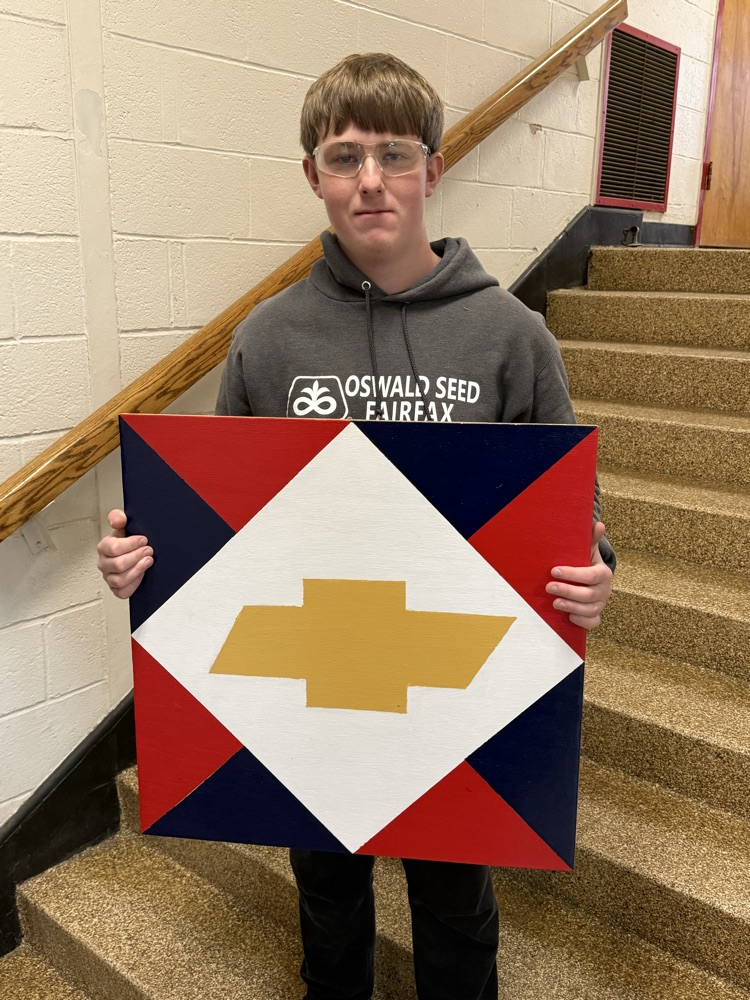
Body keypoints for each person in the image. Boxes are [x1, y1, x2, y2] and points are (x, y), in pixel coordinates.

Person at [97, 52, 614, 1000]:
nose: (369, 179)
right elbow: (217, 518)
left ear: (433, 166)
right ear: (312, 177)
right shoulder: (268, 337)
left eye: (393, 153)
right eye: (343, 157)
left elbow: (570, 509)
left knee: (456, 899)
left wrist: (597, 567)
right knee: (326, 895)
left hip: (451, 681)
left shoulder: (510, 334)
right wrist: (144, 560)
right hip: (309, 682)